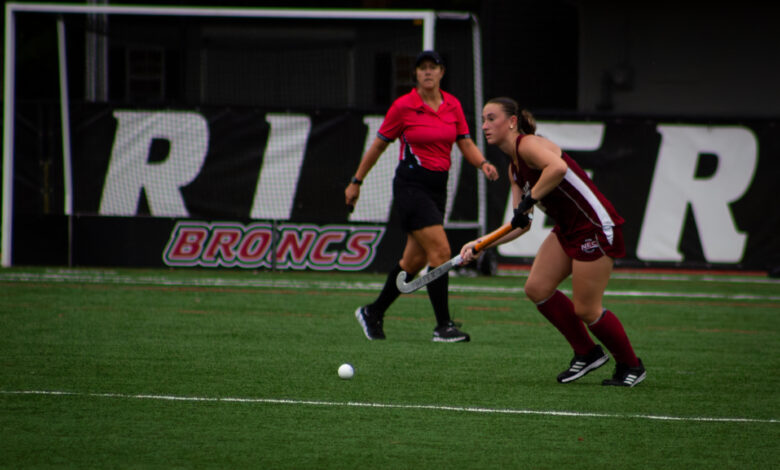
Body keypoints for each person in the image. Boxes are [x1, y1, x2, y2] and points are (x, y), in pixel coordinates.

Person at [459, 97, 646, 386]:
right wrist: (481, 244)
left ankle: (631, 365)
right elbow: (520, 223)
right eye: (483, 119)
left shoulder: (528, 145)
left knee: (586, 309)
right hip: (567, 229)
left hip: (594, 226)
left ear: (512, 122)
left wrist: (530, 198)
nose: (485, 126)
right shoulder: (514, 168)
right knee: (537, 287)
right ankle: (587, 353)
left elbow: (557, 168)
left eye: (491, 118)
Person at [345, 50, 499, 342]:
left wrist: (483, 164)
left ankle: (373, 312)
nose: (428, 72)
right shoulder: (403, 107)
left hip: (436, 189)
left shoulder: (452, 105)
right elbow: (378, 146)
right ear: (415, 74)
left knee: (412, 264)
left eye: (433, 67)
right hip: (411, 187)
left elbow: (464, 142)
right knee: (441, 253)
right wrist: (356, 181)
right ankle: (443, 326)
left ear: (442, 72)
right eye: (422, 68)